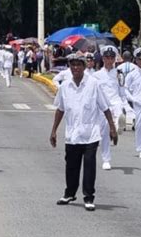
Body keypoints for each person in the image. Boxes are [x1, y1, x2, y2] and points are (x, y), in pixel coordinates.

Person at [50, 53, 117, 211]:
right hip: (72, 134)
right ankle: (69, 193)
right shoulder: (65, 86)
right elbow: (60, 109)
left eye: (78, 65)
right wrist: (53, 130)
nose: (75, 68)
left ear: (85, 66)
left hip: (90, 133)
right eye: (72, 65)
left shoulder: (94, 84)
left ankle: (88, 197)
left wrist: (112, 128)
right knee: (71, 166)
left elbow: (105, 107)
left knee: (89, 166)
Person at [94, 45, 126, 169]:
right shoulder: (96, 75)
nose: (109, 60)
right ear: (103, 58)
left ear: (114, 59)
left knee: (119, 113)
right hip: (103, 106)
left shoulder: (119, 74)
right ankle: (106, 159)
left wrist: (125, 105)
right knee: (104, 133)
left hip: (115, 102)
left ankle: (118, 126)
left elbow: (122, 92)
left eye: (112, 57)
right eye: (107, 57)